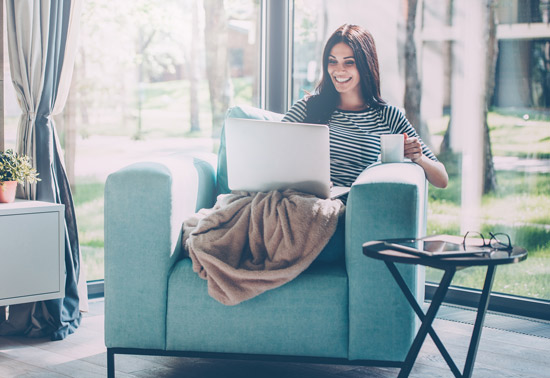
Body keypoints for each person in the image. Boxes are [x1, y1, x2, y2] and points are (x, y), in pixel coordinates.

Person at [283, 24, 448, 189]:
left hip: (353, 206)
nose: (339, 70)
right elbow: (272, 150)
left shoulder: (388, 116)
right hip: (304, 197)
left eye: (349, 63)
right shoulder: (307, 107)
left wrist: (418, 157)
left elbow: (442, 179)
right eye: (332, 61)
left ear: (365, 66)